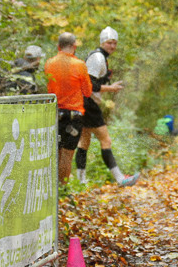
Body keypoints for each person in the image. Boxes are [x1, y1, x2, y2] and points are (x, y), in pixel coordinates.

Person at [76, 26, 140, 187]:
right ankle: (120, 178)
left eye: (115, 43)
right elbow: (90, 85)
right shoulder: (97, 58)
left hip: (85, 102)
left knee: (84, 142)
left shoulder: (99, 57)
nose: (113, 46)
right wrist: (111, 89)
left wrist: (110, 85)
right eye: (110, 43)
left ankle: (80, 181)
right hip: (88, 103)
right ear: (103, 42)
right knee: (106, 140)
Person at [44, 33, 91, 182]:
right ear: (74, 46)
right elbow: (88, 92)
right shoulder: (79, 65)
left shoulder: (49, 63)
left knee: (55, 153)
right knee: (67, 155)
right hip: (73, 117)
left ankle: (52, 193)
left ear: (58, 46)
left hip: (54, 114)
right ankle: (62, 190)